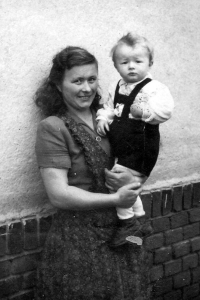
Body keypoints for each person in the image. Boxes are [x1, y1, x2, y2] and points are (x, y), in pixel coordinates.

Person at [34, 46, 152, 300]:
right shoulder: (53, 128)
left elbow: (138, 160)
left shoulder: (110, 118)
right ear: (58, 85)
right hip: (80, 238)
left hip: (127, 230)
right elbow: (58, 195)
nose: (86, 88)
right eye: (77, 80)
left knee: (134, 283)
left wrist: (131, 181)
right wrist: (115, 200)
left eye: (91, 79)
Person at [96, 32, 174, 247]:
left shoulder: (155, 88)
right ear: (115, 65)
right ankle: (140, 219)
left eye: (138, 61)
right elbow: (110, 108)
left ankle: (127, 222)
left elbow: (166, 112)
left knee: (115, 182)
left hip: (142, 146)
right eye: (124, 62)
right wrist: (104, 118)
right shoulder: (117, 86)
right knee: (126, 183)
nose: (131, 66)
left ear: (150, 63)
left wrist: (145, 112)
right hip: (123, 146)